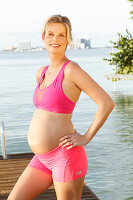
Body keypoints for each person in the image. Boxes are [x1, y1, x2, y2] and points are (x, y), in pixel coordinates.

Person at [8, 14, 115, 200]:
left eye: (61, 35)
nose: (55, 39)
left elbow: (106, 103)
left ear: (68, 40)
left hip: (65, 157)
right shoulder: (41, 73)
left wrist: (86, 137)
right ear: (43, 38)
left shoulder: (72, 70)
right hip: (42, 159)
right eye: (50, 34)